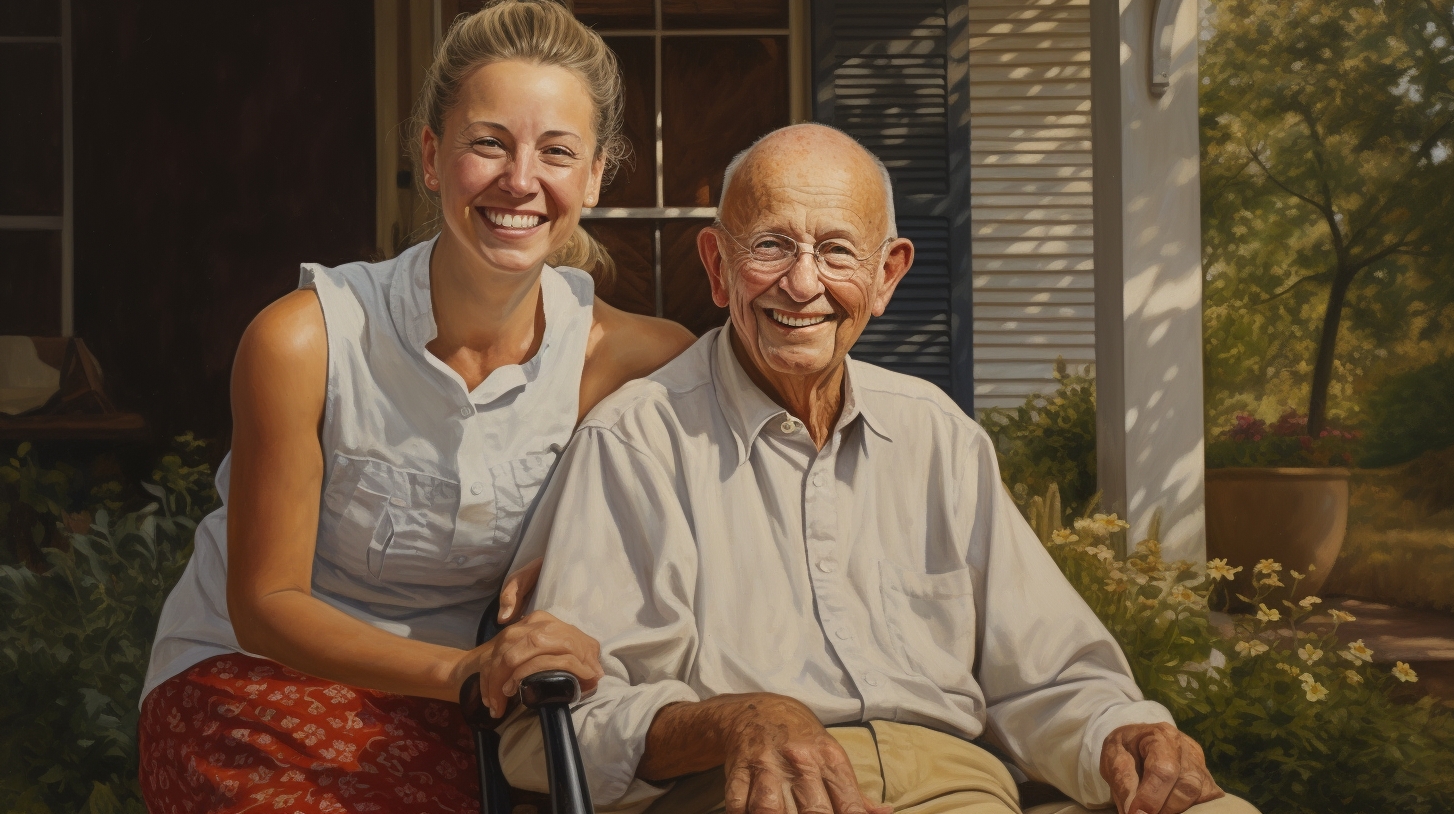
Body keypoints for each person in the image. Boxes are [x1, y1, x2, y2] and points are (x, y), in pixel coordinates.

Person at [498, 123, 1260, 814]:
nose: (802, 284)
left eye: (836, 251)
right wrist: (736, 721)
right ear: (718, 266)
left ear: (888, 274)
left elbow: (1051, 677)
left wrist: (1123, 733)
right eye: (770, 246)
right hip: (762, 799)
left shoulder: (937, 436)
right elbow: (559, 730)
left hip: (966, 792)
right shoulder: (637, 444)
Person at [136, 2, 693, 812]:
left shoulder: (634, 359)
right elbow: (266, 606)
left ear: (596, 175)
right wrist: (459, 671)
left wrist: (581, 544)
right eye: (488, 143)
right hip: (256, 683)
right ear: (432, 157)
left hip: (482, 709)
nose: (521, 180)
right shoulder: (305, 341)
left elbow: (738, 467)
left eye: (557, 152)